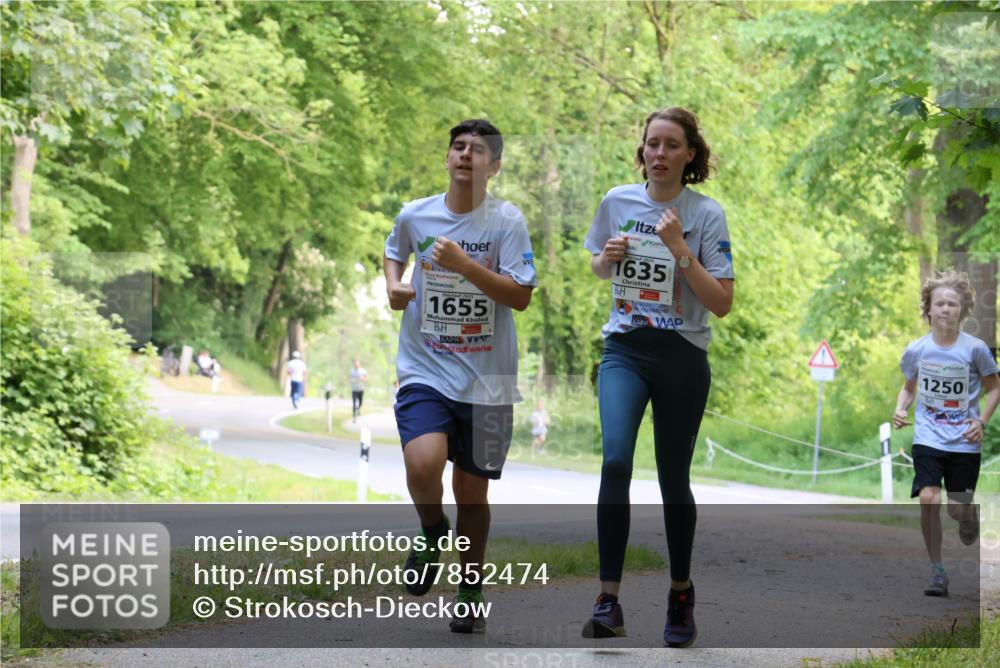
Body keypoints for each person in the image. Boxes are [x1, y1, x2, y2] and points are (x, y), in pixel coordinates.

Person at [581, 107, 734, 648]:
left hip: (681, 356)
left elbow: (721, 303)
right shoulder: (617, 201)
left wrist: (680, 251)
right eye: (653, 144)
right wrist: (608, 257)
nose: (660, 154)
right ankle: (608, 599)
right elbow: (597, 265)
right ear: (641, 151)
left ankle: (680, 592)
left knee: (673, 478)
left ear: (690, 154)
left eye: (672, 145)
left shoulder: (705, 214)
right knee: (616, 459)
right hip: (625, 348)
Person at [383, 118, 537, 634]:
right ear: (447, 158)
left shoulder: (507, 222)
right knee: (423, 463)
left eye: (478, 151)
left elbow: (520, 295)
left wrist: (468, 267)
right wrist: (393, 287)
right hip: (426, 366)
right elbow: (393, 252)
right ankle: (431, 531)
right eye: (458, 147)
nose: (466, 155)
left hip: (490, 378)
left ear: (494, 166)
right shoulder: (416, 214)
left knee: (473, 493)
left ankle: (470, 587)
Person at [892, 269, 999, 597]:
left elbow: (994, 389)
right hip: (928, 437)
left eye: (952, 304)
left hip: (964, 442)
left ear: (964, 309)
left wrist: (980, 421)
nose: (945, 309)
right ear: (928, 309)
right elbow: (908, 388)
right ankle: (937, 571)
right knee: (928, 498)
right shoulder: (917, 350)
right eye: (939, 304)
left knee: (956, 508)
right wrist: (901, 408)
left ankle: (969, 513)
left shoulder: (976, 349)